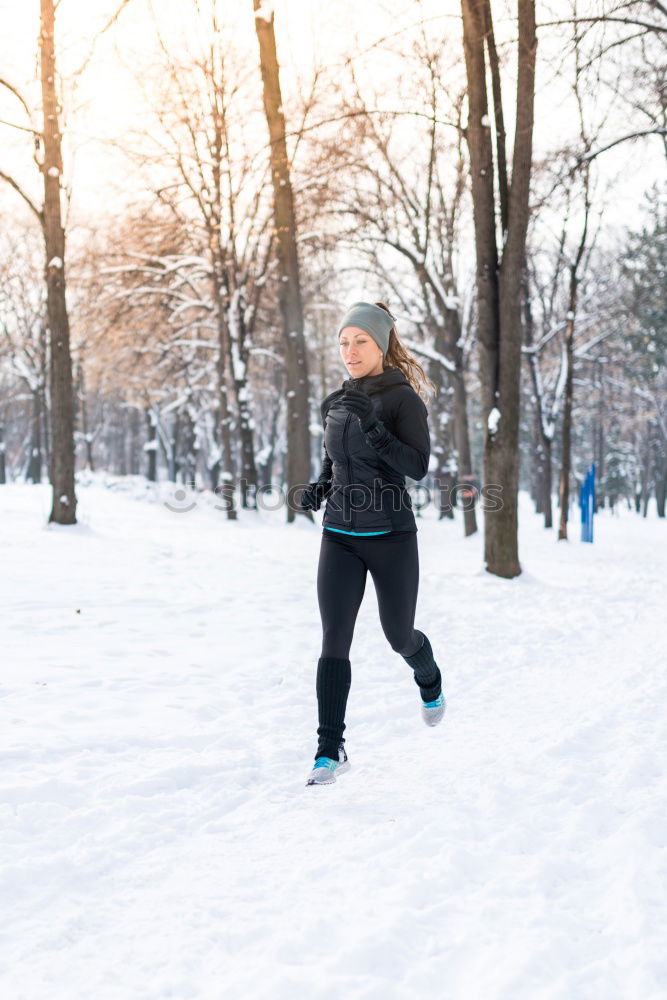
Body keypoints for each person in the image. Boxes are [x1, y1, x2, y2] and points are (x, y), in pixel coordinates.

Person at [298, 300, 446, 787]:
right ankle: (328, 748)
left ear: (380, 345)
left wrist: (375, 427)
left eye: (360, 340)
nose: (350, 350)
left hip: (391, 536)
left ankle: (428, 677)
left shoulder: (405, 400)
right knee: (333, 639)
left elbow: (417, 466)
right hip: (339, 534)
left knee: (397, 635)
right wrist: (321, 487)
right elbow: (334, 460)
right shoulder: (336, 401)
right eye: (344, 341)